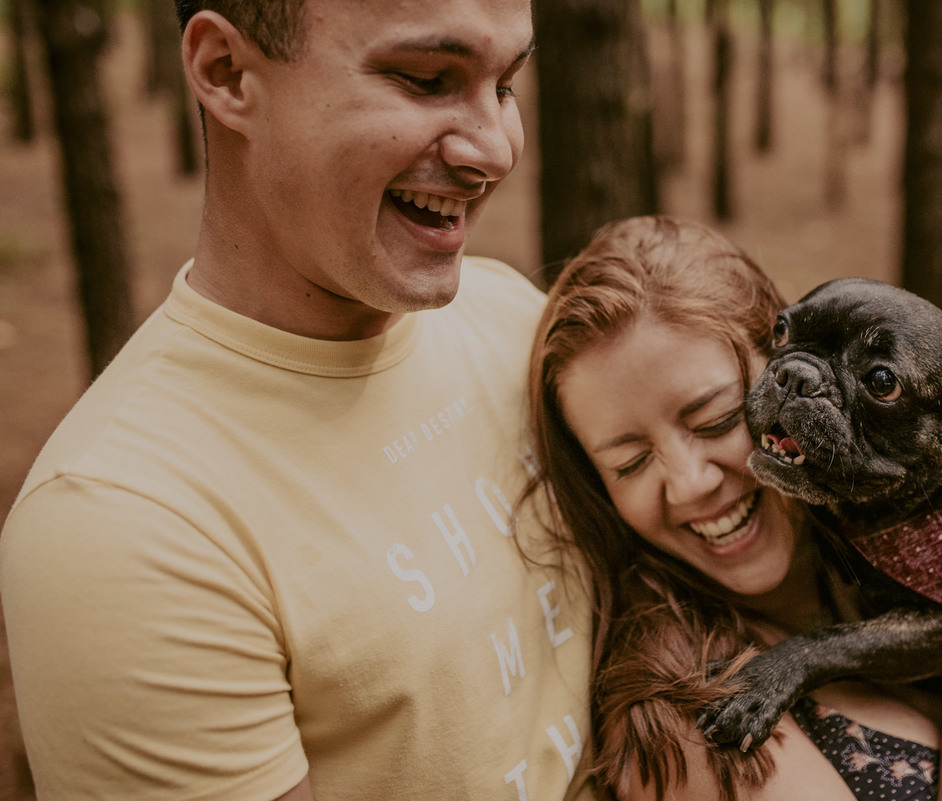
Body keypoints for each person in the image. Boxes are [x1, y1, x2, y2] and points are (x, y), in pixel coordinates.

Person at [0, 0, 596, 799]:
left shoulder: (510, 317)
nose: (494, 148)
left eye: (506, 85)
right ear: (226, 72)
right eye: (425, 79)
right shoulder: (124, 520)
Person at [520, 215, 942, 801]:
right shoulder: (683, 723)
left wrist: (923, 369)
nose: (688, 485)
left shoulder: (911, 545)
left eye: (719, 420)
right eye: (629, 463)